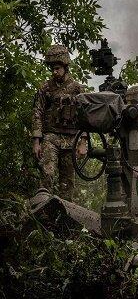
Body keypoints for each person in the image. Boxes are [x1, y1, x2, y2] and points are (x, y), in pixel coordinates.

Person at [32, 45, 87, 199]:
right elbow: (37, 112)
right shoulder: (45, 88)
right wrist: (36, 141)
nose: (54, 72)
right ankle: (42, 208)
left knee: (67, 184)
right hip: (51, 137)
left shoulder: (77, 89)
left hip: (71, 140)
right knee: (47, 175)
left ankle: (65, 213)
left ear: (65, 67)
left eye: (57, 68)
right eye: (52, 69)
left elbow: (85, 117)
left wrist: (83, 142)